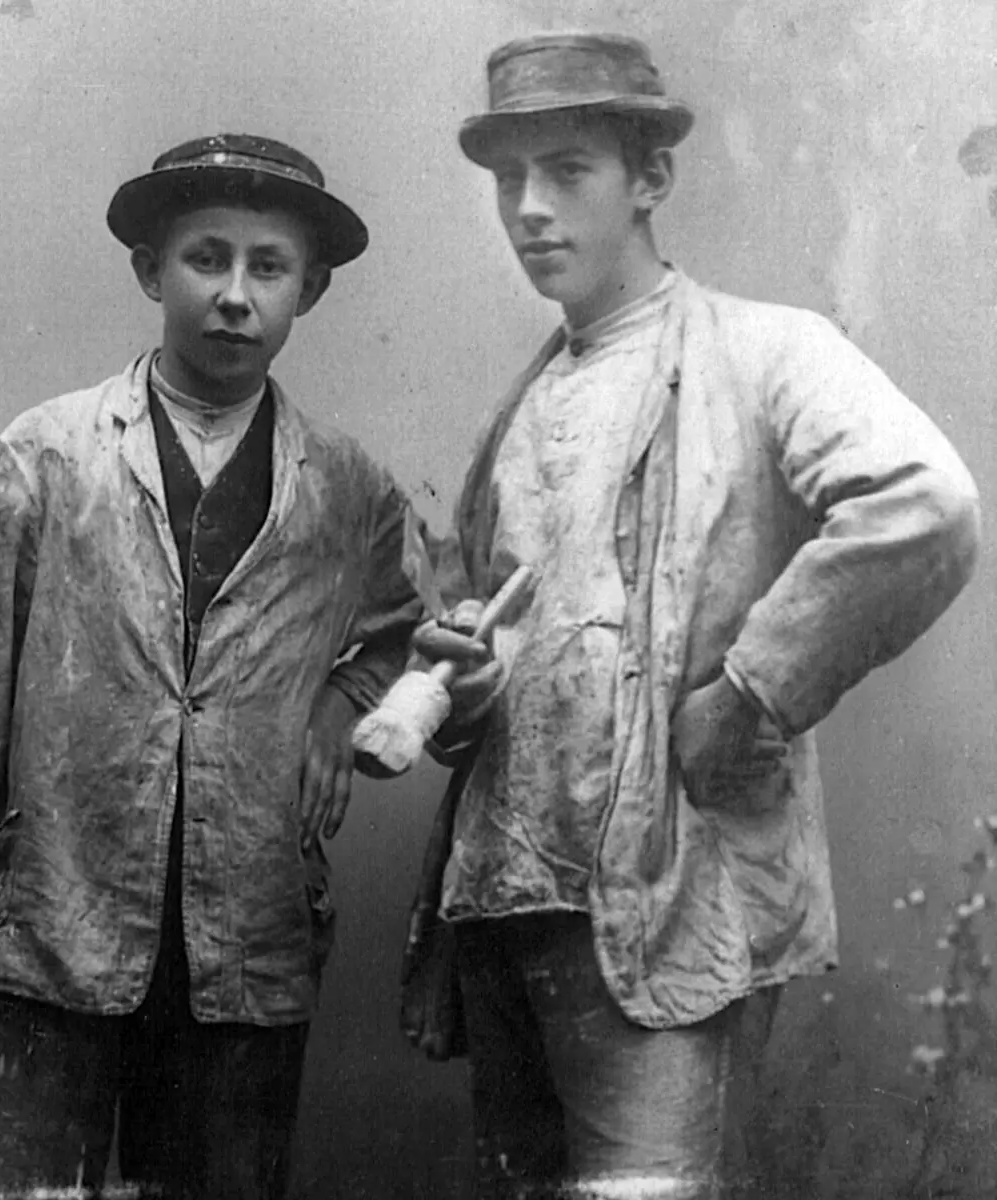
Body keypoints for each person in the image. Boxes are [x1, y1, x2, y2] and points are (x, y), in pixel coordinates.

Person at [411, 33, 981, 1200]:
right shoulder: (517, 411)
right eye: (509, 179)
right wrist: (464, 686)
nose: (529, 209)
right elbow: (508, 648)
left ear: (651, 178)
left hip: (670, 921)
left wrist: (756, 687)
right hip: (510, 914)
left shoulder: (766, 351)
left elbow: (925, 504)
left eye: (567, 170)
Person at [0, 133, 422, 1200]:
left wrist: (341, 700)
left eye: (269, 267)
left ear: (310, 290)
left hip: (246, 967)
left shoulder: (350, 491)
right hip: (45, 957)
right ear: (150, 269)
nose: (235, 295)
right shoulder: (42, 459)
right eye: (207, 258)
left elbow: (408, 632)